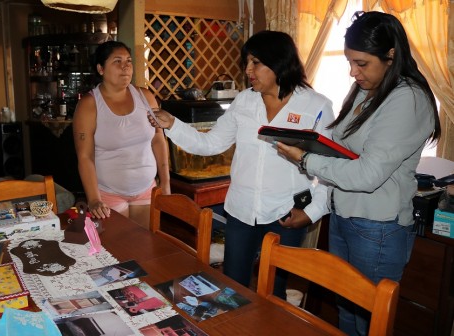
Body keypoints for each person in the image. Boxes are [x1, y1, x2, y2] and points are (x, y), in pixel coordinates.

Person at [276, 11, 441, 335]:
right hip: (345, 218)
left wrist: (306, 159)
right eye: (350, 62)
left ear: (391, 55)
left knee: (370, 320)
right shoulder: (369, 91)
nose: (353, 72)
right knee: (348, 312)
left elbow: (366, 175)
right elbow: (338, 145)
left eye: (361, 63)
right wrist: (305, 141)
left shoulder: (407, 98)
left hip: (377, 228)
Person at [149, 30, 334, 299]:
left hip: (287, 215)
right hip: (241, 211)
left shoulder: (316, 106)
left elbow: (329, 168)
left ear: (279, 61)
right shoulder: (244, 101)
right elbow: (211, 144)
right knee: (233, 288)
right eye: (246, 62)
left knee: (273, 293)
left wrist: (312, 212)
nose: (248, 70)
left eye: (256, 62)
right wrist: (173, 125)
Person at [73, 40, 170, 229]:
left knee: (145, 249)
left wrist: (165, 183)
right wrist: (93, 199)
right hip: (108, 194)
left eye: (128, 61)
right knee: (119, 252)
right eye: (117, 61)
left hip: (146, 189)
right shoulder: (89, 105)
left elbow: (158, 139)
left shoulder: (146, 97)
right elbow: (85, 157)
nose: (125, 67)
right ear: (100, 69)